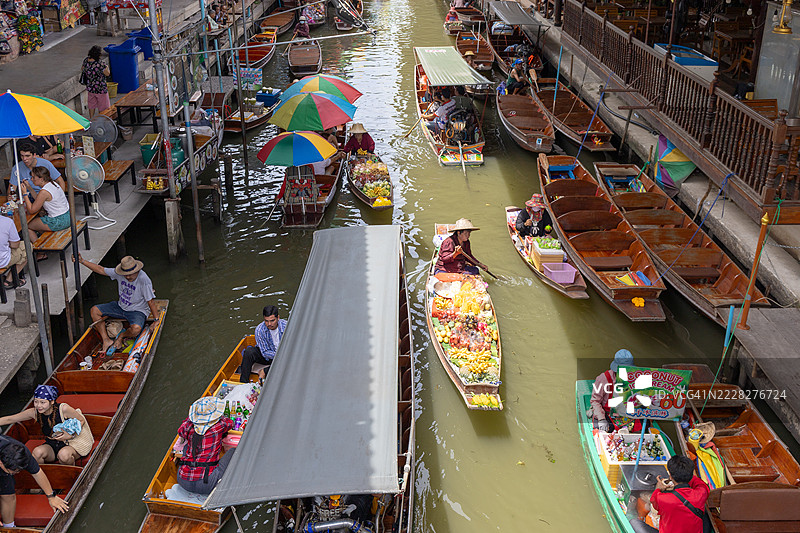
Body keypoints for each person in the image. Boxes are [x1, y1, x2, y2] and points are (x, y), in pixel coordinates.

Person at [75, 254, 159, 353]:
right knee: (94, 311)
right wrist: (82, 261)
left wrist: (156, 319)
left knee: (136, 329)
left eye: (130, 274)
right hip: (120, 306)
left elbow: (151, 301)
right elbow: (101, 270)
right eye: (125, 274)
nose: (127, 277)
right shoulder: (119, 273)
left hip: (137, 310)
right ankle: (106, 340)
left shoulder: (144, 279)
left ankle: (122, 336)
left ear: (137, 271)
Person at [0, 385, 93, 466]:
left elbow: (81, 420)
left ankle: (71, 477)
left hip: (72, 443)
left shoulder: (63, 409)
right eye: (36, 401)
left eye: (42, 402)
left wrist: (70, 435)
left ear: (52, 402)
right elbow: (10, 419)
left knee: (64, 455)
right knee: (37, 452)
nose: (38, 405)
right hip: (52, 444)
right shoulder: (35, 412)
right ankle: (45, 476)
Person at [0, 434, 69, 528]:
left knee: (8, 494)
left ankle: (9, 527)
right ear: (1, 463)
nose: (16, 473)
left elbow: (37, 472)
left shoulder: (22, 452)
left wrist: (51, 496)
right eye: (14, 471)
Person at [629, 455, 710, 533]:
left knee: (634, 523)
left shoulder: (663, 499)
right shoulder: (701, 493)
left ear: (670, 476)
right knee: (705, 516)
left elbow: (654, 500)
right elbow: (701, 484)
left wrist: (658, 488)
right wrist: (685, 474)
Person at [175, 397, 235, 495]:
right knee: (233, 451)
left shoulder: (188, 427)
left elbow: (181, 430)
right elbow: (230, 423)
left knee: (187, 447)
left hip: (182, 479)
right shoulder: (219, 426)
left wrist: (191, 420)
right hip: (206, 484)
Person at [19, 167, 70, 250]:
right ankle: (46, 240)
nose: (31, 179)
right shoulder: (53, 183)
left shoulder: (44, 191)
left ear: (41, 179)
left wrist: (24, 194)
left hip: (58, 221)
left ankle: (41, 251)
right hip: (67, 216)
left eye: (33, 177)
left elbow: (32, 210)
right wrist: (29, 188)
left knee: (26, 226)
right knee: (38, 221)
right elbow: (38, 200)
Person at [239, 305, 287, 383]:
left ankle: (265, 371)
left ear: (278, 318)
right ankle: (243, 382)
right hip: (268, 357)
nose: (269, 324)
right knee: (248, 351)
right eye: (266, 321)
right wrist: (280, 355)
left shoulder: (287, 326)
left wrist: (284, 356)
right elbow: (265, 352)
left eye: (272, 320)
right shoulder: (259, 330)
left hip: (284, 356)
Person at [589, 349, 634, 432]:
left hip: (624, 412)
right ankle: (593, 412)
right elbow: (595, 401)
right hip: (607, 412)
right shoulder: (604, 379)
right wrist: (602, 419)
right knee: (602, 430)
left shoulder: (633, 378)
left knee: (644, 425)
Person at [81, 45, 111, 118]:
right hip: (100, 88)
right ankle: (102, 120)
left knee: (91, 104)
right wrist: (107, 67)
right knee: (103, 106)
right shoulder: (99, 64)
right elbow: (107, 73)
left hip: (90, 87)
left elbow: (82, 69)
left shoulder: (86, 60)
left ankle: (91, 119)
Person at [0, 210, 26, 290]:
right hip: (2, 261)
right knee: (27, 247)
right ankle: (9, 280)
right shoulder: (7, 222)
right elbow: (15, 245)